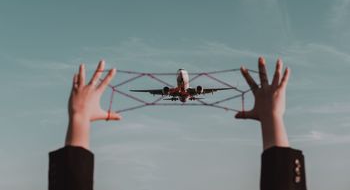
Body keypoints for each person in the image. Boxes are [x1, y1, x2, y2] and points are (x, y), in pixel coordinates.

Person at [48, 57, 307, 190]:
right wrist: (273, 119)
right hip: (178, 95)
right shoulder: (174, 88)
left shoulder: (191, 87)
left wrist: (79, 119)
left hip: (188, 95)